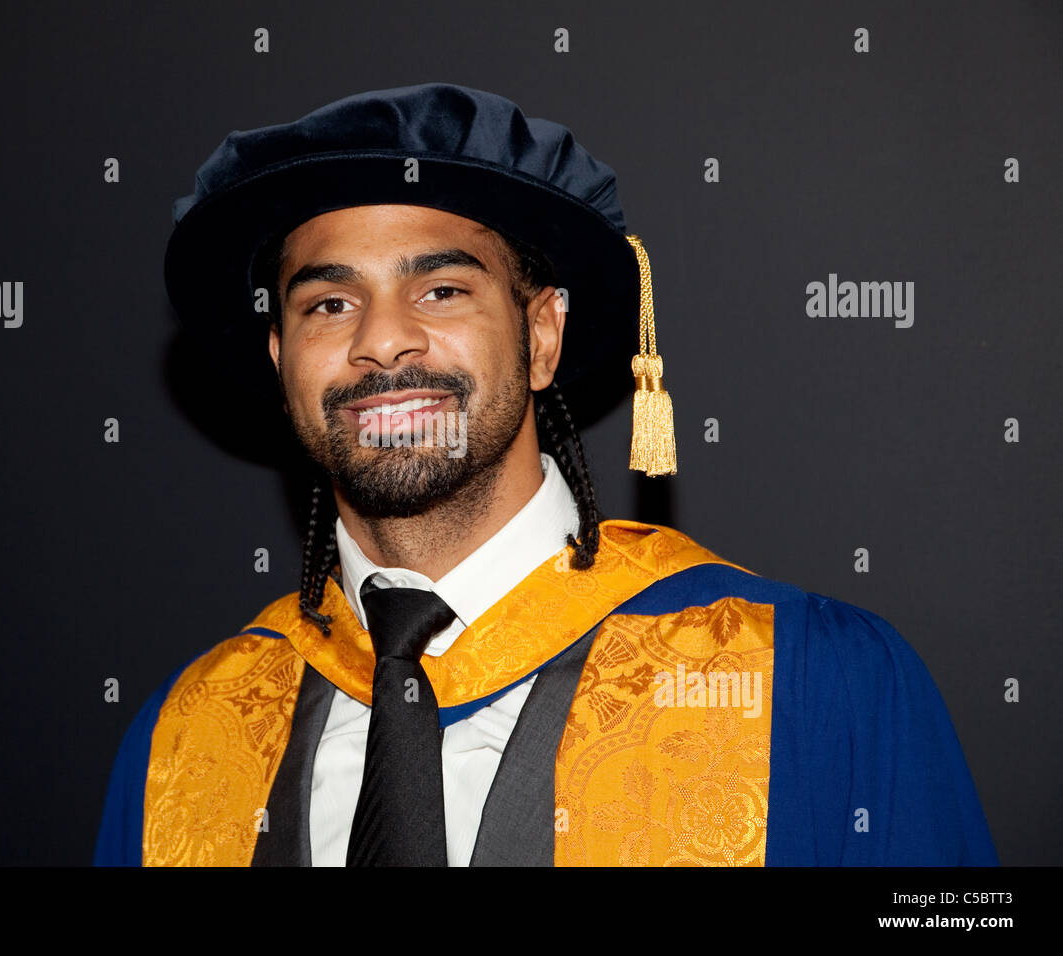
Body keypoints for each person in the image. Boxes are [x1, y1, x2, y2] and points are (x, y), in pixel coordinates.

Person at [94, 82, 997, 867]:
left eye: (441, 290)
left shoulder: (811, 684)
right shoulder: (185, 739)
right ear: (282, 355)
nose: (379, 339)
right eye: (329, 303)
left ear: (541, 335)